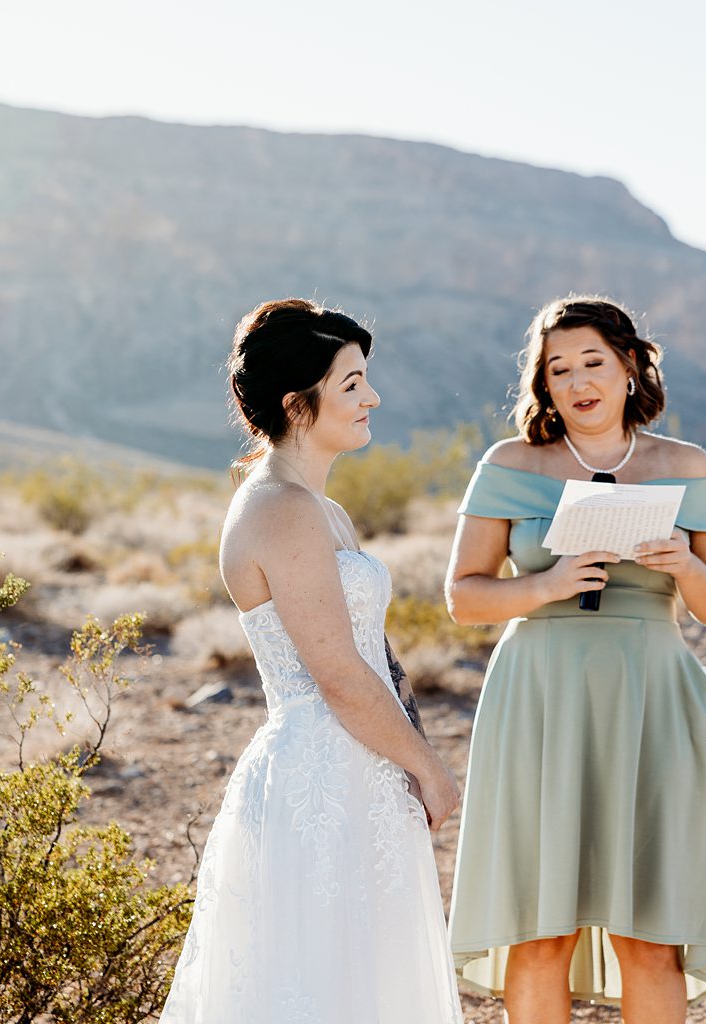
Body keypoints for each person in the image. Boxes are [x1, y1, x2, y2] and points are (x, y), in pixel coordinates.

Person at [160, 298, 464, 1024]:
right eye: (352, 384)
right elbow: (336, 674)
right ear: (299, 403)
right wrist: (431, 769)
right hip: (319, 778)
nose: (372, 398)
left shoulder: (323, 510)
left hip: (365, 767)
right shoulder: (279, 509)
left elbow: (375, 656)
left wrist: (410, 757)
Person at [445, 296, 706, 1023]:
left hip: (652, 700)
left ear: (630, 368)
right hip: (540, 698)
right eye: (559, 369)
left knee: (650, 936)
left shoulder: (685, 465)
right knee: (540, 932)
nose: (578, 381)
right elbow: (461, 597)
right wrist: (545, 584)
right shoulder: (510, 463)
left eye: (594, 363)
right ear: (542, 386)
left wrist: (683, 563)